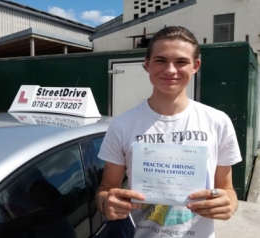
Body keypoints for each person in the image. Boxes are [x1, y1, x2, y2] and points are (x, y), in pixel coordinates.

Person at [96, 26, 242, 238]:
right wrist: (105, 203)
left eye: (181, 61)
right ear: (146, 64)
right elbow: (106, 187)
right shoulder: (122, 125)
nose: (170, 70)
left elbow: (227, 190)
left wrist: (228, 204)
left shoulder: (218, 122)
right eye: (160, 60)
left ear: (196, 66)